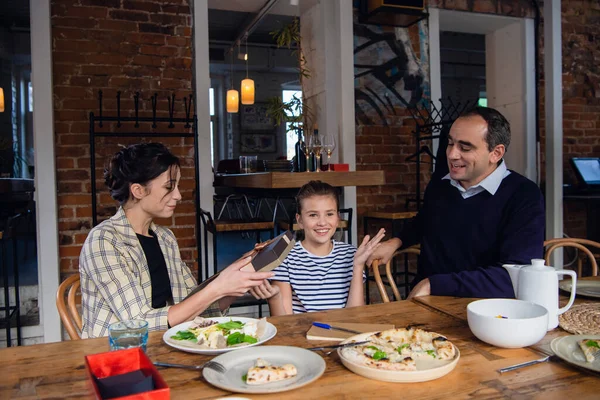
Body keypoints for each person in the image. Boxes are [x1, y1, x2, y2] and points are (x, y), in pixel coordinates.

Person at [79, 143, 274, 338]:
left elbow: (195, 308)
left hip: (165, 346)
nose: (178, 195)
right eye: (169, 187)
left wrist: (239, 280)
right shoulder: (104, 241)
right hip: (117, 357)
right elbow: (138, 324)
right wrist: (218, 287)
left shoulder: (165, 239)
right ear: (138, 191)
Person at [367, 106, 545, 299]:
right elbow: (425, 220)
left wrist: (433, 284)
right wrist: (396, 241)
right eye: (450, 143)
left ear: (496, 153)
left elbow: (515, 277)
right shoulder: (441, 185)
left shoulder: (523, 195)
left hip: (489, 310)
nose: (452, 154)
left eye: (465, 147)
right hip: (427, 303)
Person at [249, 180, 386, 315]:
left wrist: (357, 266)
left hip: (343, 334)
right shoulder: (286, 258)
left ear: (338, 218)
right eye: (313, 215)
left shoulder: (351, 254)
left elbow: (355, 316)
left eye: (329, 214)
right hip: (301, 334)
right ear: (300, 220)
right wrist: (274, 298)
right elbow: (284, 322)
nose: (322, 222)